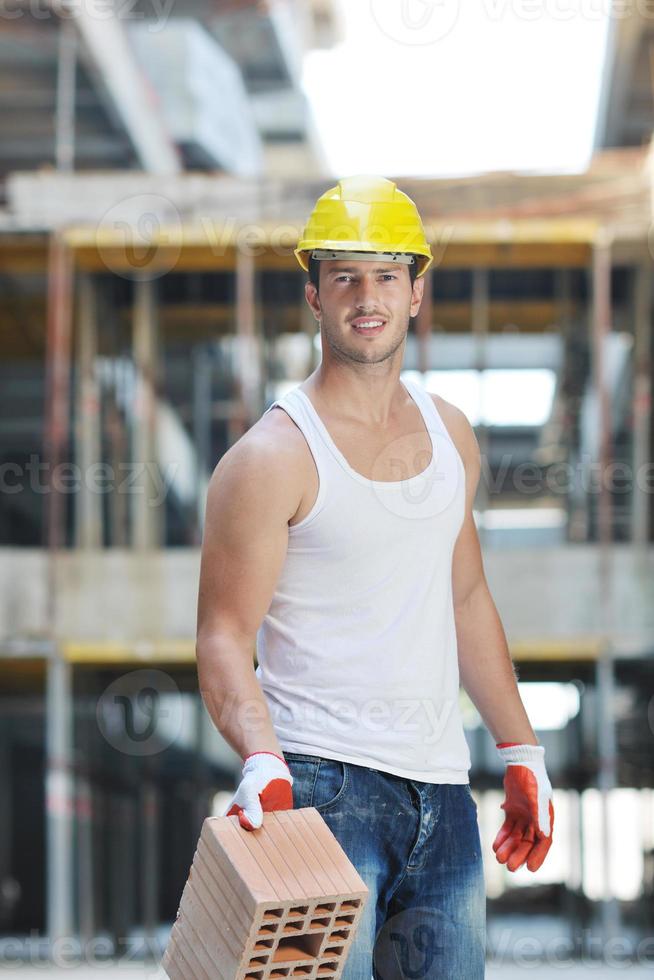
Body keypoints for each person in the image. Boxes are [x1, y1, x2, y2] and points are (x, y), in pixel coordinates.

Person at [196, 176, 555, 979]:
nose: (368, 296)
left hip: (444, 794)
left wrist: (521, 747)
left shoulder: (450, 432)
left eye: (387, 275)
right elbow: (222, 636)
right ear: (314, 296)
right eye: (346, 276)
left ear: (417, 291)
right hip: (322, 790)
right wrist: (262, 759)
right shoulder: (271, 457)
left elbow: (465, 598)